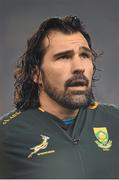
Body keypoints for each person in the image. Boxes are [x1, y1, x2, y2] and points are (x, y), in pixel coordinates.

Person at [0, 15, 119, 179]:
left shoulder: (115, 120)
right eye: (63, 57)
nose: (79, 67)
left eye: (84, 55)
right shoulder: (6, 134)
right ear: (36, 74)